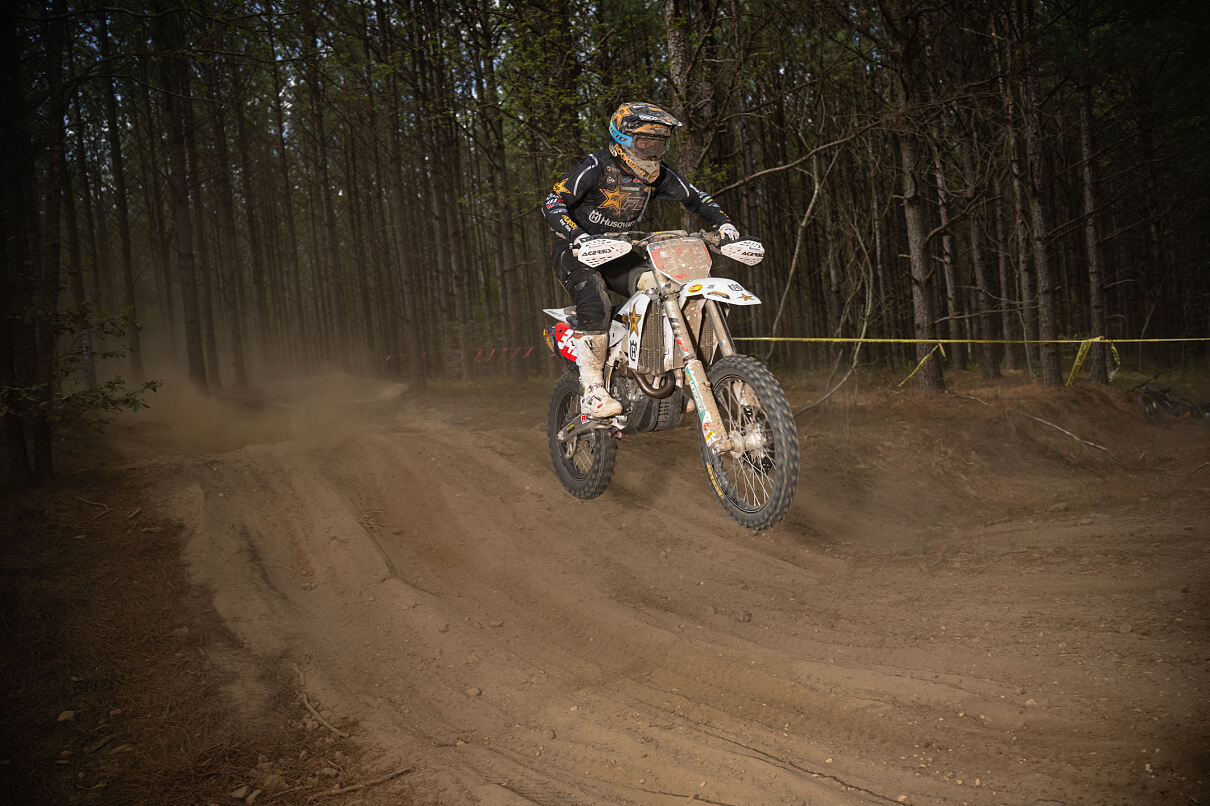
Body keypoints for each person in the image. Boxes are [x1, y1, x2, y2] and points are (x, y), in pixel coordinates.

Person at [543, 101, 741, 418]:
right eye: (644, 142)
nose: (651, 151)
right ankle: (592, 390)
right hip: (575, 251)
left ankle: (665, 375)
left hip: (619, 253)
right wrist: (577, 235)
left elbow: (696, 197)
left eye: (658, 144)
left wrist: (725, 224)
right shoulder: (597, 165)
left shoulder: (656, 175)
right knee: (595, 301)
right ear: (623, 139)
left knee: (666, 290)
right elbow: (553, 201)